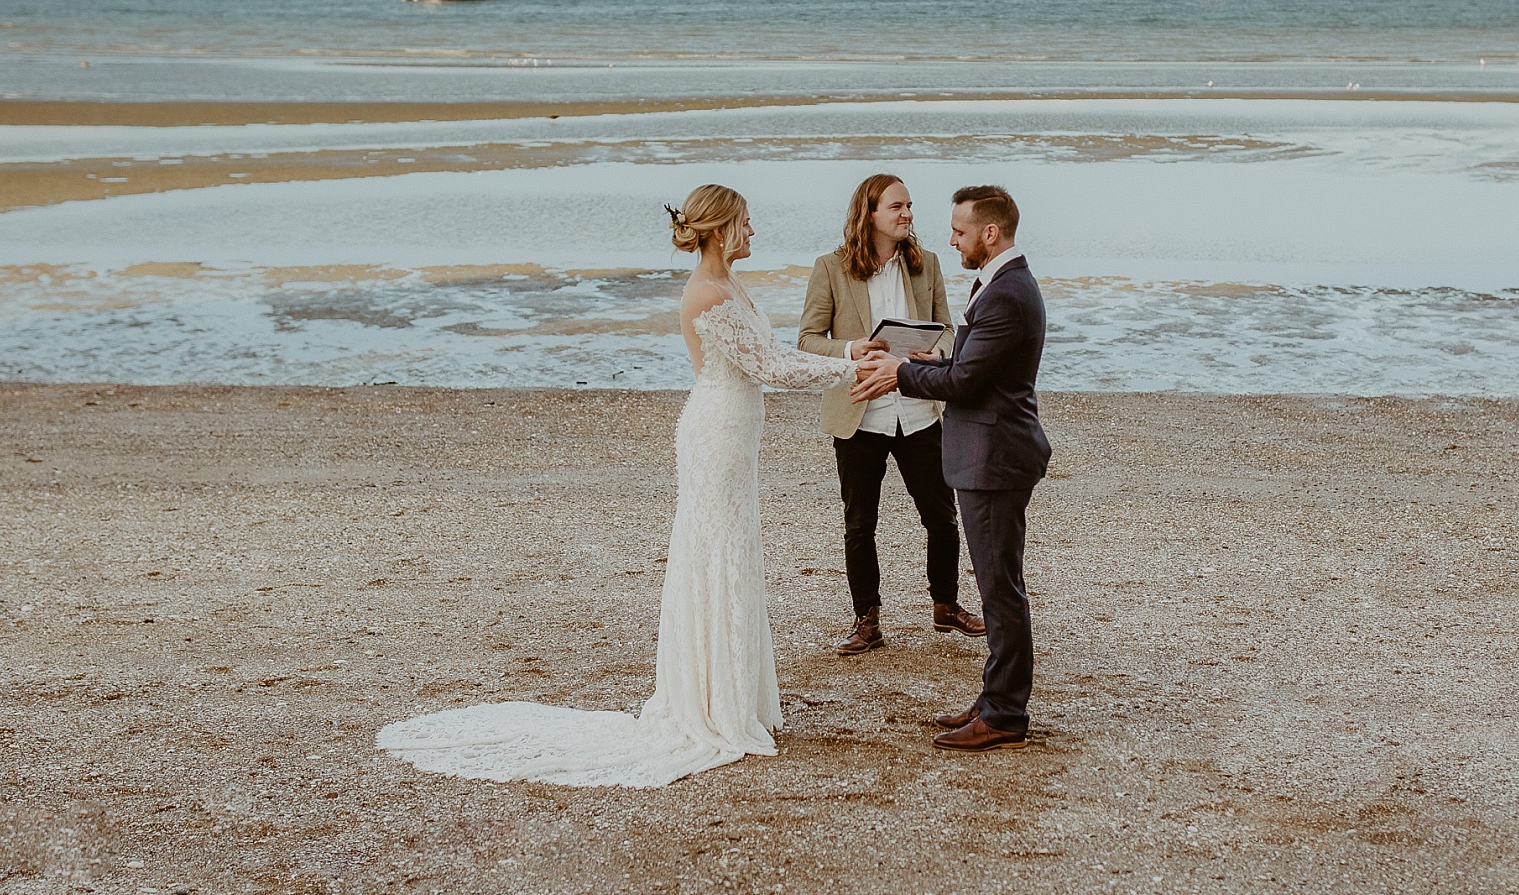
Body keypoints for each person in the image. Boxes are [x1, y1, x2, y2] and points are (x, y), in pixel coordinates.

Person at [375, 184, 858, 787]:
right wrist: (852, 369)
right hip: (715, 435)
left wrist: (848, 355)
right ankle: (713, 707)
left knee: (733, 553)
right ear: (716, 231)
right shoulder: (708, 293)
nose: (754, 233)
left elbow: (767, 355)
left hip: (735, 436)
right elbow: (770, 368)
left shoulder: (731, 284)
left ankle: (734, 697)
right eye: (745, 223)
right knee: (716, 556)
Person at [851, 185, 1048, 753]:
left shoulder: (1007, 292)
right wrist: (937, 358)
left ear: (990, 233)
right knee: (997, 585)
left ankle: (1006, 713)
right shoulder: (1000, 284)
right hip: (990, 453)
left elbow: (967, 385)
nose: (951, 239)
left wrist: (899, 373)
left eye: (960, 231)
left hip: (996, 458)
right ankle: (994, 698)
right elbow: (970, 365)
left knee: (999, 591)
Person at [797, 174, 983, 656]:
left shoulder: (927, 265)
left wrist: (931, 357)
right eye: (897, 206)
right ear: (870, 214)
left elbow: (947, 333)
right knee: (860, 523)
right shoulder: (831, 268)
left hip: (919, 409)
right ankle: (867, 620)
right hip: (860, 412)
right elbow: (807, 340)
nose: (907, 214)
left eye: (909, 206)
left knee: (942, 517)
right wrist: (852, 347)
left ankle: (946, 606)